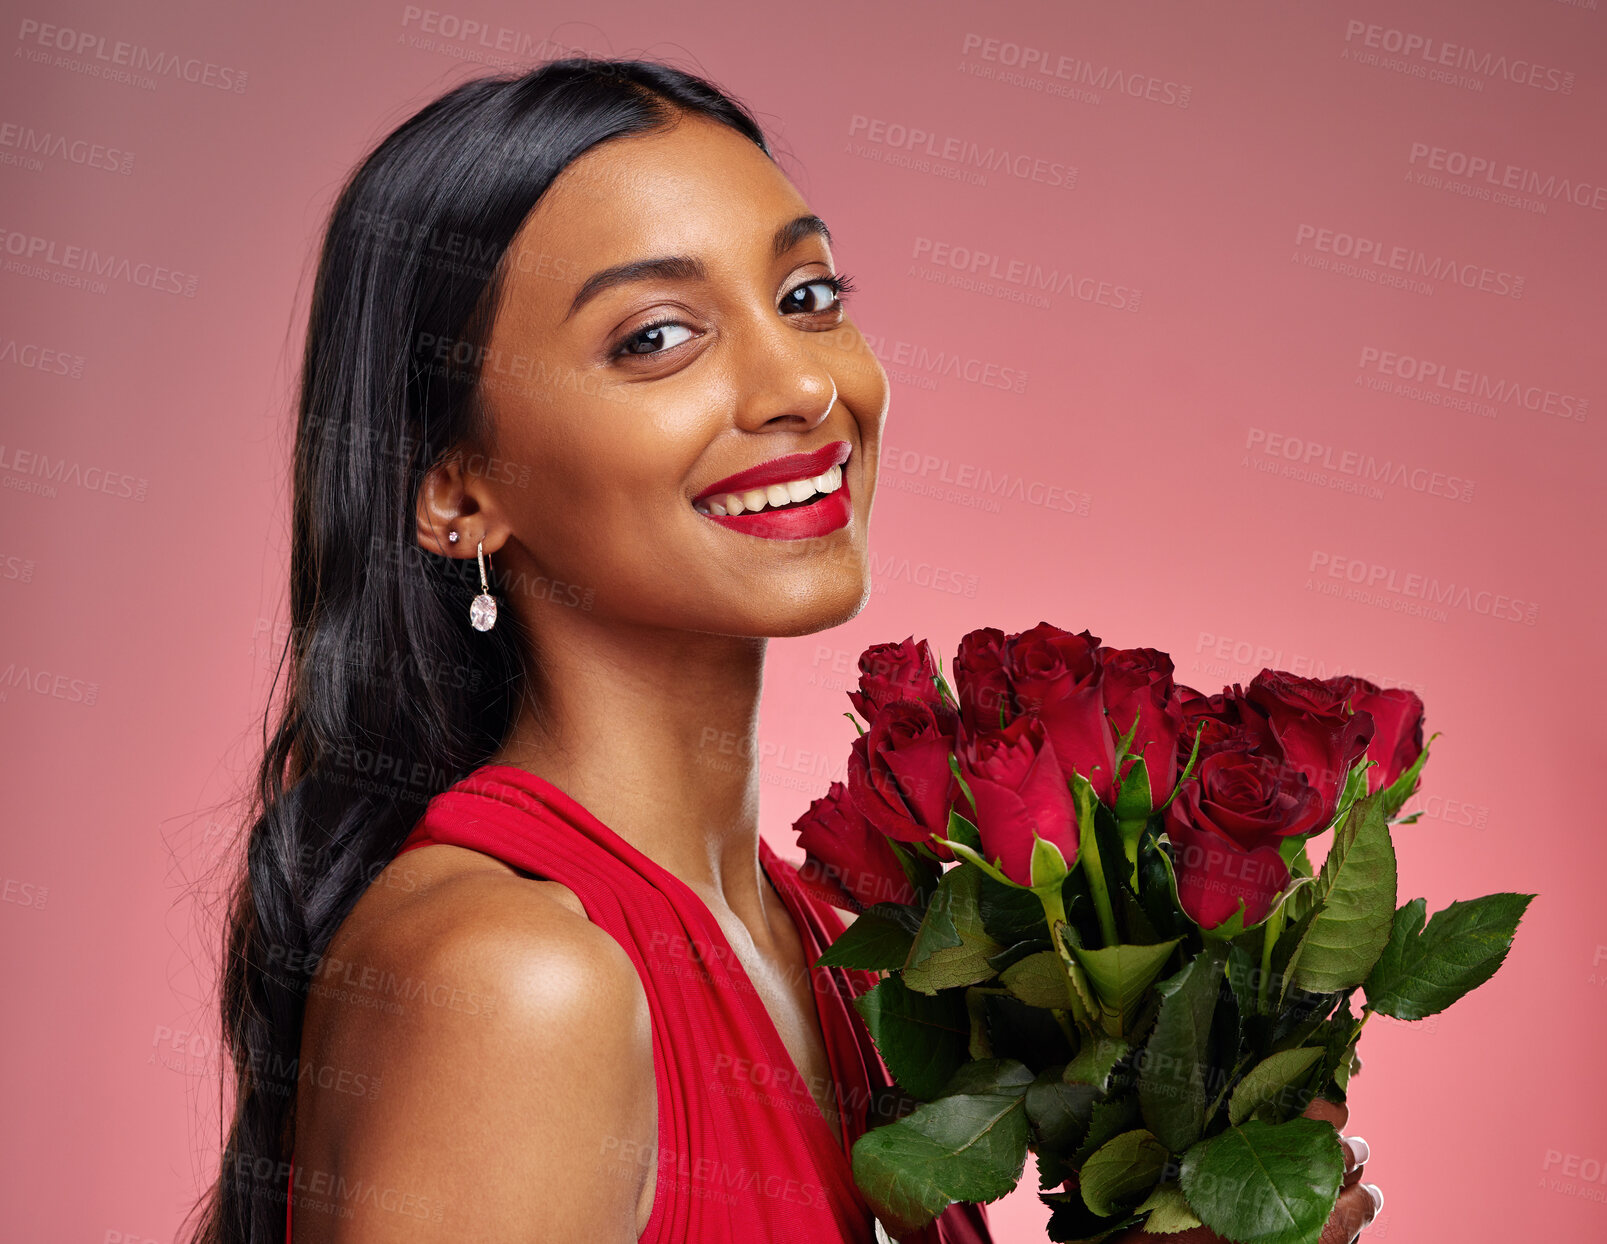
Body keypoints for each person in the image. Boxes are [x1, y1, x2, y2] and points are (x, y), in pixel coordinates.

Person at [187, 56, 1379, 1244]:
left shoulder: (837, 953)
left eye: (807, 297)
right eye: (656, 335)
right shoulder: (516, 976)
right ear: (455, 491)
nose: (804, 383)